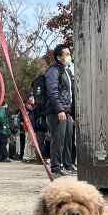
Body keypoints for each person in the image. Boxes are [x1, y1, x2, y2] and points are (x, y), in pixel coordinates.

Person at [44, 44, 77, 175]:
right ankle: (56, 167)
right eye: (67, 54)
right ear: (58, 57)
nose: (69, 56)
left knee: (68, 138)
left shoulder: (67, 71)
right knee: (58, 139)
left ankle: (68, 165)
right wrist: (59, 109)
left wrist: (71, 111)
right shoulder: (53, 71)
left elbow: (71, 92)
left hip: (67, 111)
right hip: (57, 111)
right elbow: (52, 91)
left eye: (69, 53)